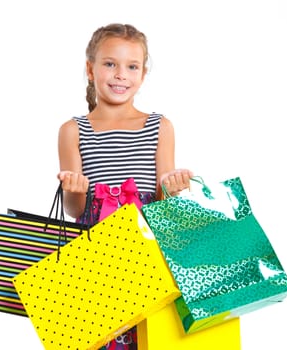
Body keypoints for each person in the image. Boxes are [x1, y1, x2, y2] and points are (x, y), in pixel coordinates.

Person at [57, 23, 193, 350]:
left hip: (150, 255)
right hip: (96, 255)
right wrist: (74, 189)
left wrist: (173, 189)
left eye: (132, 66)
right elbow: (75, 210)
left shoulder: (160, 126)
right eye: (110, 64)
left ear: (142, 75)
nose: (121, 75)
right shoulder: (72, 130)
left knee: (154, 338)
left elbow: (163, 206)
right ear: (90, 69)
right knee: (100, 338)